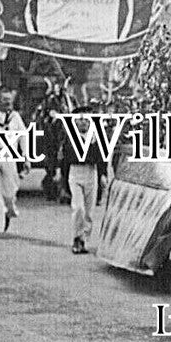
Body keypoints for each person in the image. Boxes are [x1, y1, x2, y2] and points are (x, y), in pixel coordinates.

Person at [60, 105, 107, 254]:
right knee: (78, 207)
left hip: (91, 172)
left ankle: (85, 239)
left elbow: (102, 158)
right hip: (75, 172)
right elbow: (64, 161)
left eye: (87, 120)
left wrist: (103, 174)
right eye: (80, 120)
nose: (83, 123)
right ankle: (76, 237)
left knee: (89, 211)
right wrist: (63, 179)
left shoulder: (96, 138)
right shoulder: (69, 139)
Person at [0, 86, 30, 239]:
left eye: (9, 100)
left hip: (9, 156)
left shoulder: (15, 117)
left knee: (10, 192)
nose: (7, 103)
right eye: (4, 100)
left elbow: (23, 136)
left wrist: (26, 156)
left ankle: (8, 210)